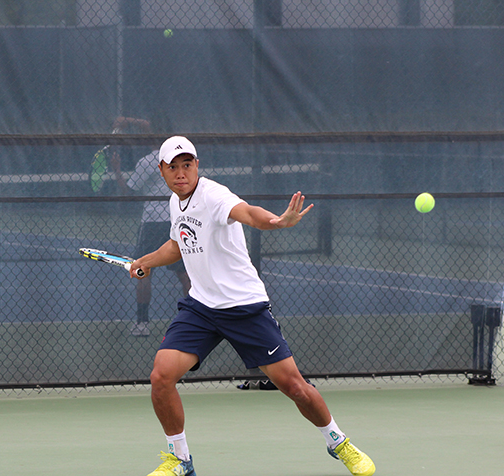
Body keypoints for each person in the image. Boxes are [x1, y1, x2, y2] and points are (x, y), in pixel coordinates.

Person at [129, 136, 376, 476]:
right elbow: (177, 243)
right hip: (201, 307)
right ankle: (180, 461)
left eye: (188, 165)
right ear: (162, 171)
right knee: (161, 376)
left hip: (245, 307)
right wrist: (147, 261)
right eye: (174, 167)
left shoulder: (214, 195)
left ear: (197, 166)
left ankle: (339, 442)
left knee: (294, 387)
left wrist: (276, 222)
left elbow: (247, 213)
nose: (181, 173)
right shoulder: (175, 203)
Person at [109, 116, 191, 337]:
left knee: (143, 271)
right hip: (176, 223)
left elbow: (129, 191)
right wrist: (127, 120)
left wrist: (116, 169)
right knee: (184, 273)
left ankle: (142, 323)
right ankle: (197, 321)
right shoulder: (180, 160)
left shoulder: (147, 162)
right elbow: (149, 126)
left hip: (153, 224)